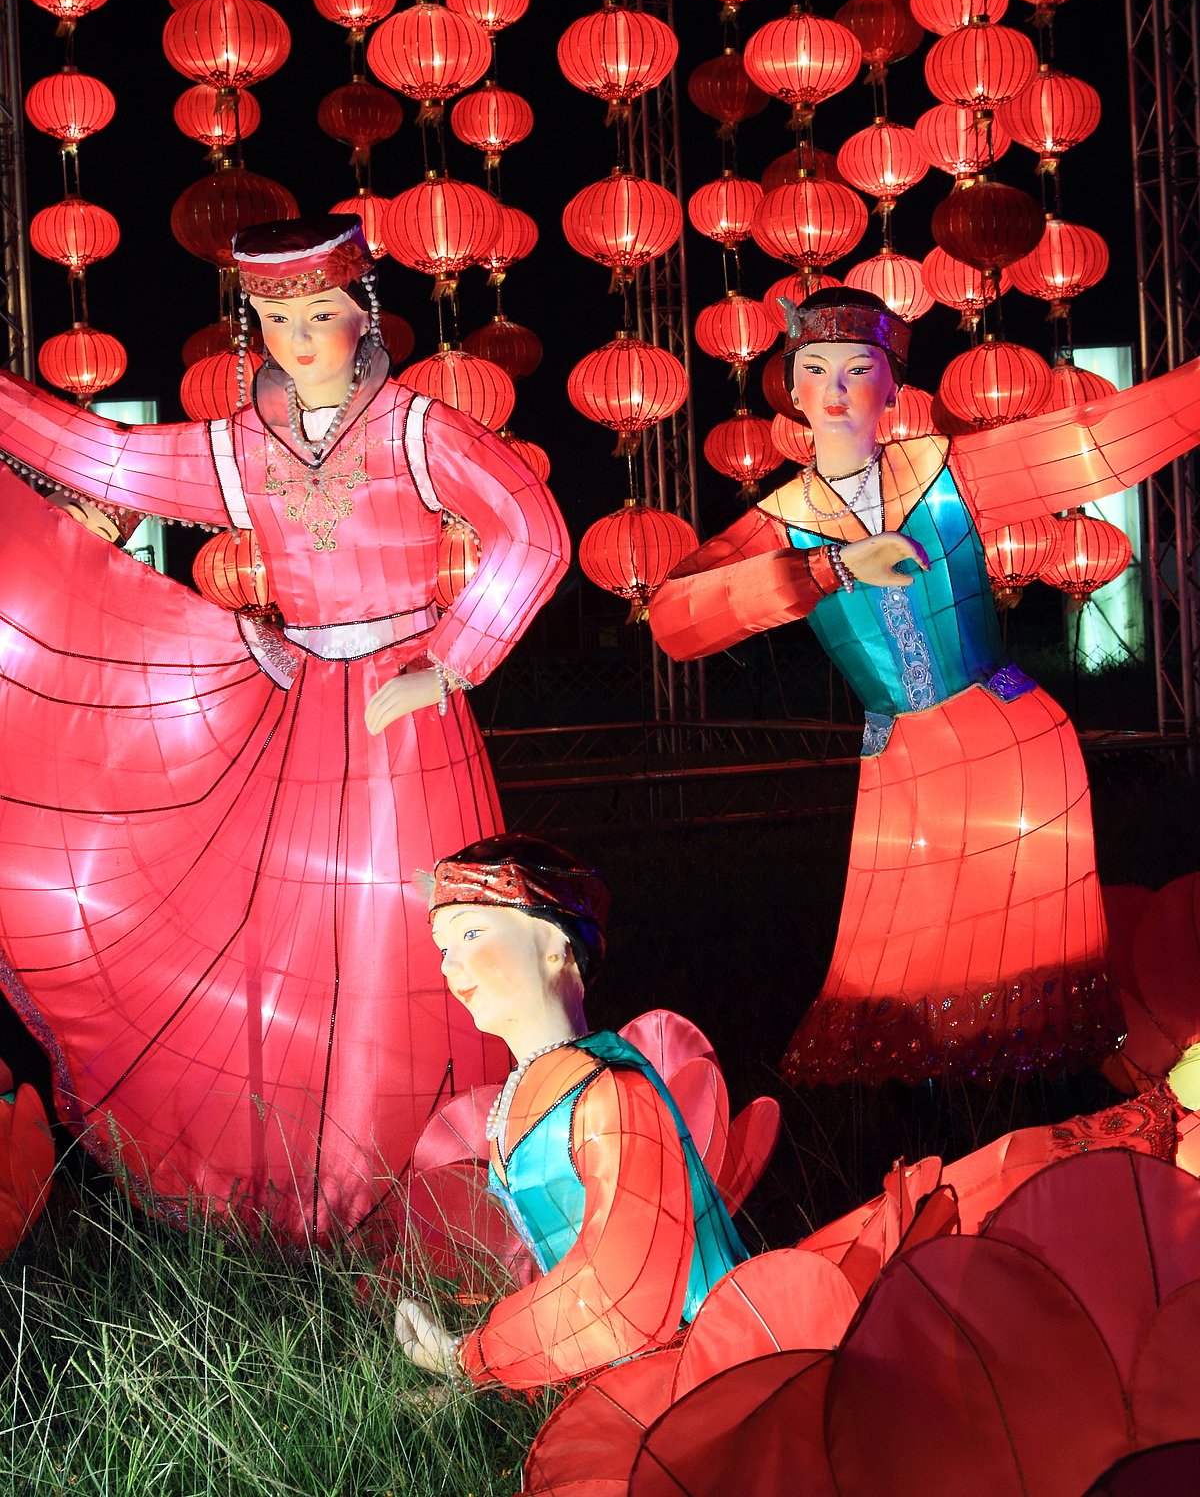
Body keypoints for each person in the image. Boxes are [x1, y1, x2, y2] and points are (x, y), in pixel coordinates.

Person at [0, 216, 569, 1242]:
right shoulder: (242, 448)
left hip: (407, 713)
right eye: (275, 318)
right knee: (304, 942)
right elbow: (109, 460)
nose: (300, 339)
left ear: (364, 318)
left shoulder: (413, 429)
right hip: (308, 709)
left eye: (320, 315)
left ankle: (445, 1172)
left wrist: (450, 660)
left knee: (417, 932)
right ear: (251, 326)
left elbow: (533, 531)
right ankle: (327, 1178)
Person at [649, 286, 1200, 1085]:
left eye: (857, 369)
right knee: (903, 965)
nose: (836, 390)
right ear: (793, 391)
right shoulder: (780, 519)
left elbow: (1096, 439)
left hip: (1010, 738)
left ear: (892, 389)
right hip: (901, 758)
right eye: (816, 370)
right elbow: (677, 617)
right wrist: (831, 566)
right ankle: (924, 1110)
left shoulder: (948, 470)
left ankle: (1040, 1089)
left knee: (1026, 965)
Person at [394, 833, 748, 1388]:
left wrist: (474, 1356)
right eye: (443, 947)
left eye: (471, 934)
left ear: (554, 946)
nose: (450, 965)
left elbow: (621, 1284)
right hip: (609, 1363)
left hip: (698, 1364)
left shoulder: (611, 1091)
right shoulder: (524, 1097)